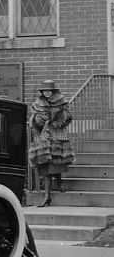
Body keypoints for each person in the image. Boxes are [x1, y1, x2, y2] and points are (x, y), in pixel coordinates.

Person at [29, 79, 75, 207]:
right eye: (45, 90)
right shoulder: (37, 103)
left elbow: (68, 116)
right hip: (43, 135)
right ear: (42, 92)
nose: (47, 92)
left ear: (53, 91)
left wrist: (59, 117)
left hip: (57, 133)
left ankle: (59, 181)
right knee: (46, 164)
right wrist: (39, 119)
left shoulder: (61, 100)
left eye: (49, 90)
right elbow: (33, 119)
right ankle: (46, 196)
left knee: (57, 160)